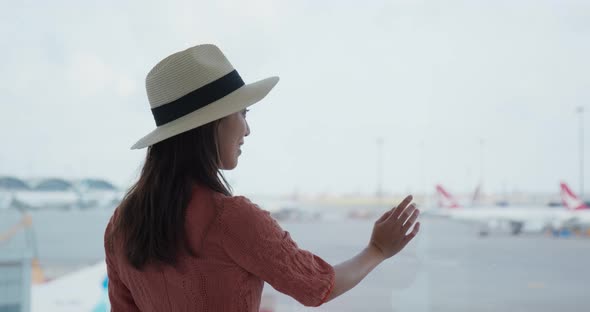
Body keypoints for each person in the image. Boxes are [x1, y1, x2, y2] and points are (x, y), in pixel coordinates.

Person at [104, 43, 421, 311]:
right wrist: (377, 249)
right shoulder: (231, 219)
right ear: (211, 123)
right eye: (243, 113)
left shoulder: (121, 224)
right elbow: (317, 287)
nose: (247, 129)